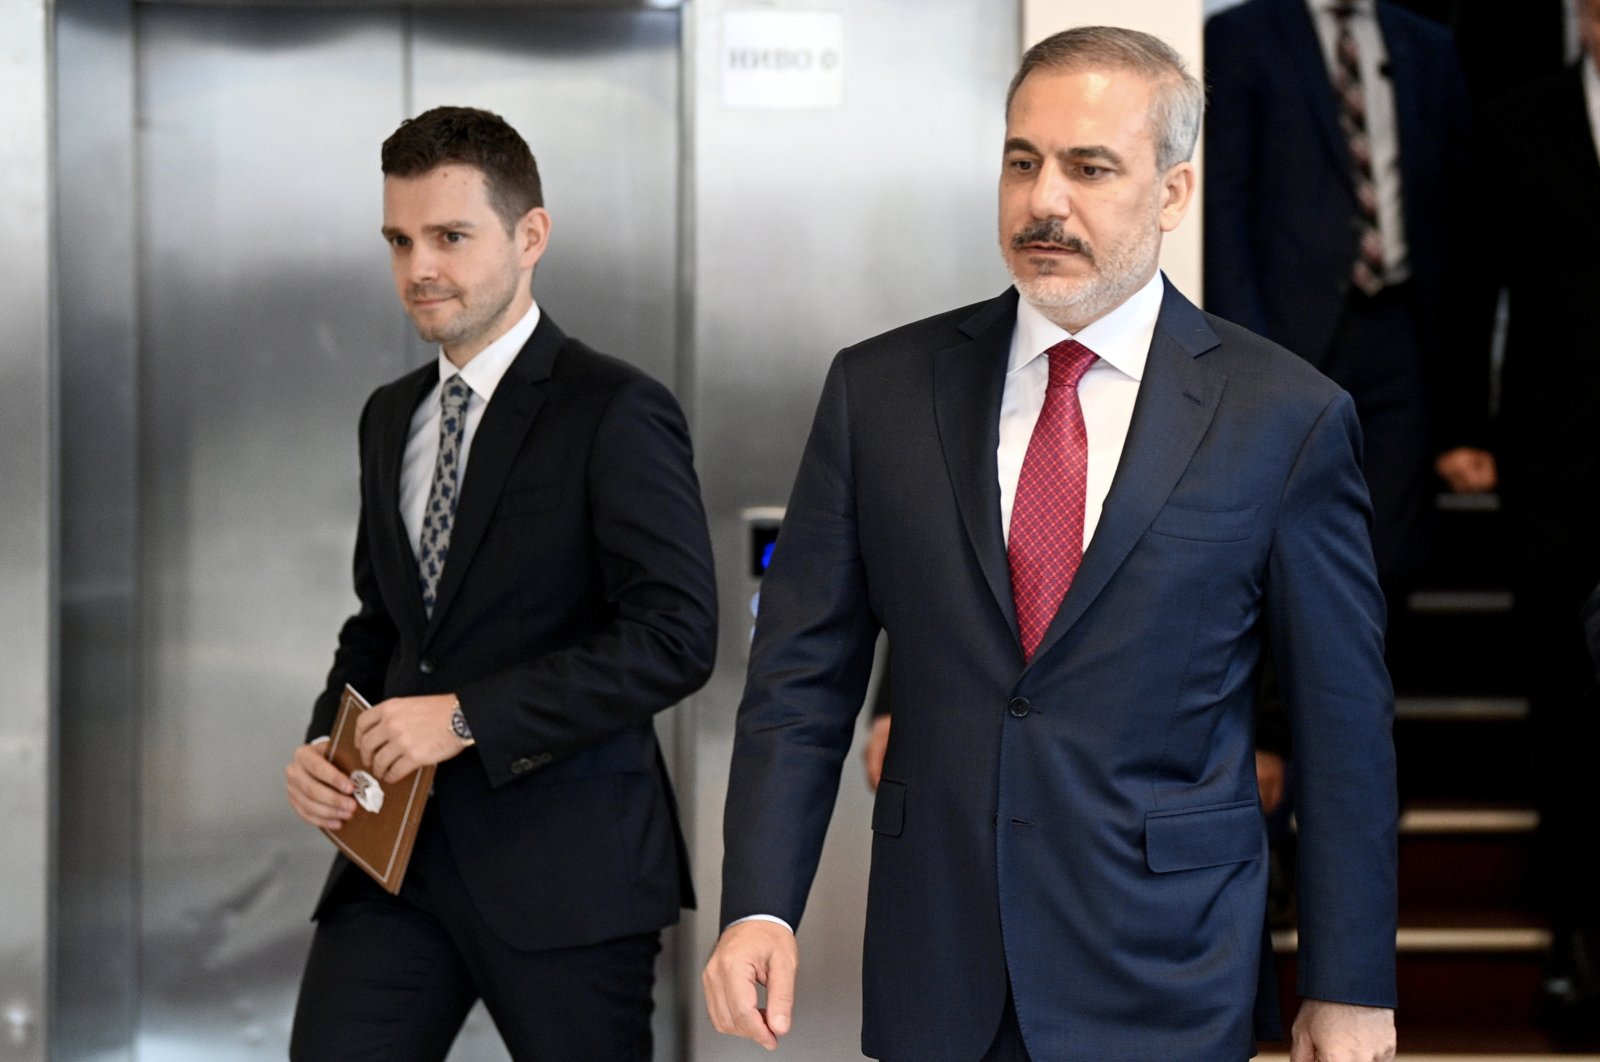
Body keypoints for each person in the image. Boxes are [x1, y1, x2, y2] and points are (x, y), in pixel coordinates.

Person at [704, 26, 1397, 1062]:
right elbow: (799, 679)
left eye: (1088, 168)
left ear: (1170, 193)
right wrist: (758, 904)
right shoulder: (878, 393)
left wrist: (1346, 985)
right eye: (1021, 161)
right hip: (938, 963)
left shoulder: (1283, 418)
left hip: (1167, 972)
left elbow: (1342, 730)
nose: (1042, 202)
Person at [282, 105, 716, 1059]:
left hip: (568, 871)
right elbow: (381, 623)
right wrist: (328, 738)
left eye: (449, 236)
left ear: (530, 236)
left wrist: (467, 715)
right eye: (399, 240)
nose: (418, 268)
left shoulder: (617, 410)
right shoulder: (389, 416)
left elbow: (676, 637)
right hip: (392, 866)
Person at [1204, 0, 1488, 610]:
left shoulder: (1428, 44)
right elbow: (1222, 203)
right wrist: (1239, 346)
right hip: (1282, 331)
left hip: (1403, 330)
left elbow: (1459, 202)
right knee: (1276, 537)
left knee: (1392, 547)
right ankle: (1288, 703)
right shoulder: (1239, 36)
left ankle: (1361, 696)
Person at [1462, 0, 1600, 1027]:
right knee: (1563, 700)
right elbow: (1469, 289)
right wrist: (1462, 426)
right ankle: (1573, 943)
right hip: (1552, 459)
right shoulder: (1520, 120)